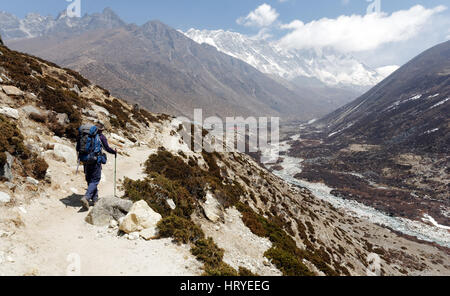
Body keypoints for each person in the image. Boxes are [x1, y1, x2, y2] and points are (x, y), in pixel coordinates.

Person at [78, 123, 117, 210]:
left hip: (85, 159)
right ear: (101, 130)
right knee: (95, 179)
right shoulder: (101, 137)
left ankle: (95, 199)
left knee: (89, 179)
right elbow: (107, 148)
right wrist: (114, 152)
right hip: (95, 161)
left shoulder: (86, 135)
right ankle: (87, 197)